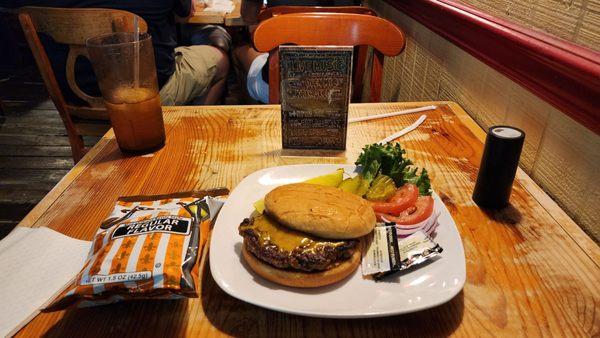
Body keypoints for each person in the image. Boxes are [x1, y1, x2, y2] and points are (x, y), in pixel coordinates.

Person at [5, 0, 229, 105]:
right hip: (144, 97)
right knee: (220, 60)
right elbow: (185, 12)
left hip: (73, 97)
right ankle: (182, 133)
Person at [233, 0, 360, 103]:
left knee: (239, 52)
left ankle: (256, 119)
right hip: (339, 92)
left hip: (281, 91)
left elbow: (248, 17)